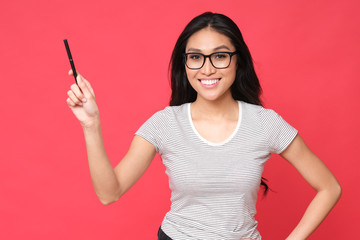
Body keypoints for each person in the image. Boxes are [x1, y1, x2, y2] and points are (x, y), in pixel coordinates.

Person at [66, 12, 341, 240]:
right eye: (196, 57)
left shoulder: (264, 123)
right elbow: (108, 193)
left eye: (219, 56)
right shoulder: (165, 124)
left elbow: (329, 187)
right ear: (184, 64)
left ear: (238, 60)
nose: (207, 69)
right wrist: (91, 124)